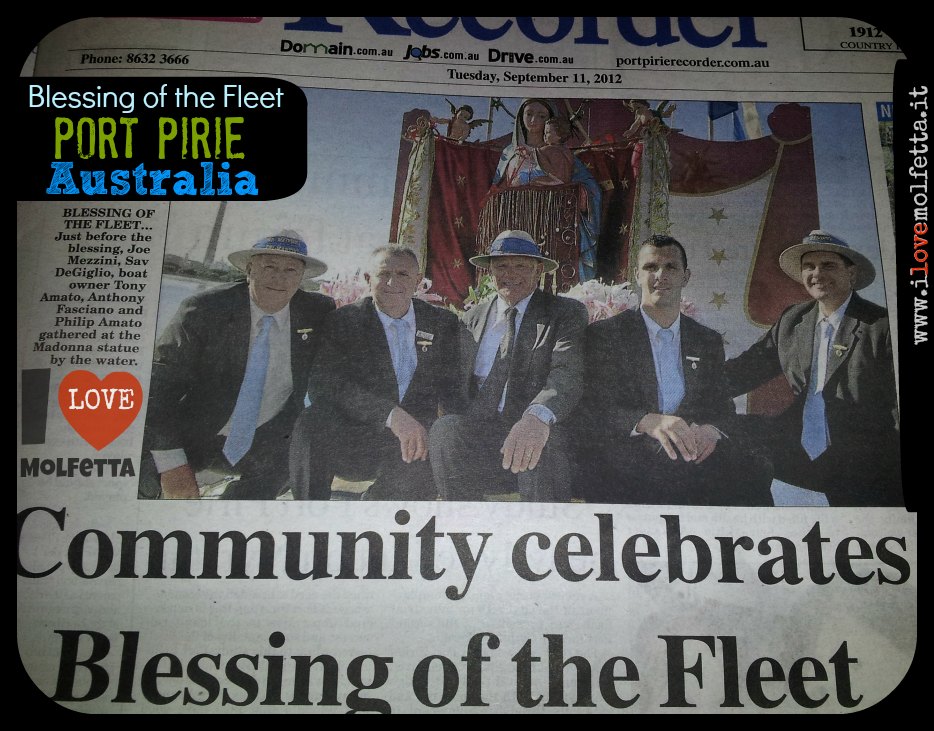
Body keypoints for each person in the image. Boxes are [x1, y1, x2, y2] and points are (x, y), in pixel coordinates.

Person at [573, 234, 773, 506]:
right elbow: (592, 408)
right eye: (650, 267)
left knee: (755, 467)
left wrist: (711, 430)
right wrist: (646, 421)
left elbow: (721, 408)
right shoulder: (607, 335)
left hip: (691, 451)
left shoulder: (706, 340)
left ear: (686, 276)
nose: (660, 275)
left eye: (671, 267)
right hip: (631, 452)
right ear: (637, 275)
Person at [140, 231, 335, 500]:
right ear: (249, 268)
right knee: (141, 479)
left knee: (300, 449)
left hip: (264, 439)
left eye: (291, 269)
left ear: (302, 278)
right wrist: (172, 464)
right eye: (269, 266)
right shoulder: (204, 309)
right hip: (190, 434)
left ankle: (233, 511)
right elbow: (158, 388)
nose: (279, 278)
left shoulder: (318, 311)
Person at [724, 230, 902, 507]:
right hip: (796, 444)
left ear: (851, 275)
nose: (816, 273)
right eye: (809, 266)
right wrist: (685, 384)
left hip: (864, 458)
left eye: (828, 265)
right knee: (725, 434)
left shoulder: (882, 326)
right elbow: (744, 370)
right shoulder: (793, 320)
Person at [288, 245, 464, 501]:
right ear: (368, 280)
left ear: (417, 282)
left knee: (437, 450)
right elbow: (325, 384)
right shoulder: (345, 320)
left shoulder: (442, 323)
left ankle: (370, 509)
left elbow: (452, 388)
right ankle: (309, 515)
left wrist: (441, 433)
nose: (393, 282)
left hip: (414, 443)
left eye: (403, 274)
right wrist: (390, 415)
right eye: (384, 274)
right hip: (357, 436)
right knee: (312, 421)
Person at [429, 230, 588, 502]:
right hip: (480, 437)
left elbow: (566, 374)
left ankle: (542, 536)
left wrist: (536, 418)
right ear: (489, 271)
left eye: (521, 266)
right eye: (501, 265)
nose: (510, 274)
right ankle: (464, 529)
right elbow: (452, 382)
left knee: (541, 439)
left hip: (536, 434)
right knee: (445, 430)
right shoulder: (471, 318)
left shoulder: (565, 313)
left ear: (538, 270)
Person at [491, 98, 602, 281]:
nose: (534, 119)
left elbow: (589, 187)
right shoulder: (510, 153)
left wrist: (578, 192)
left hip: (553, 220)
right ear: (521, 117)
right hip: (517, 218)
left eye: (541, 116)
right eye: (529, 114)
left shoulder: (561, 153)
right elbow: (498, 188)